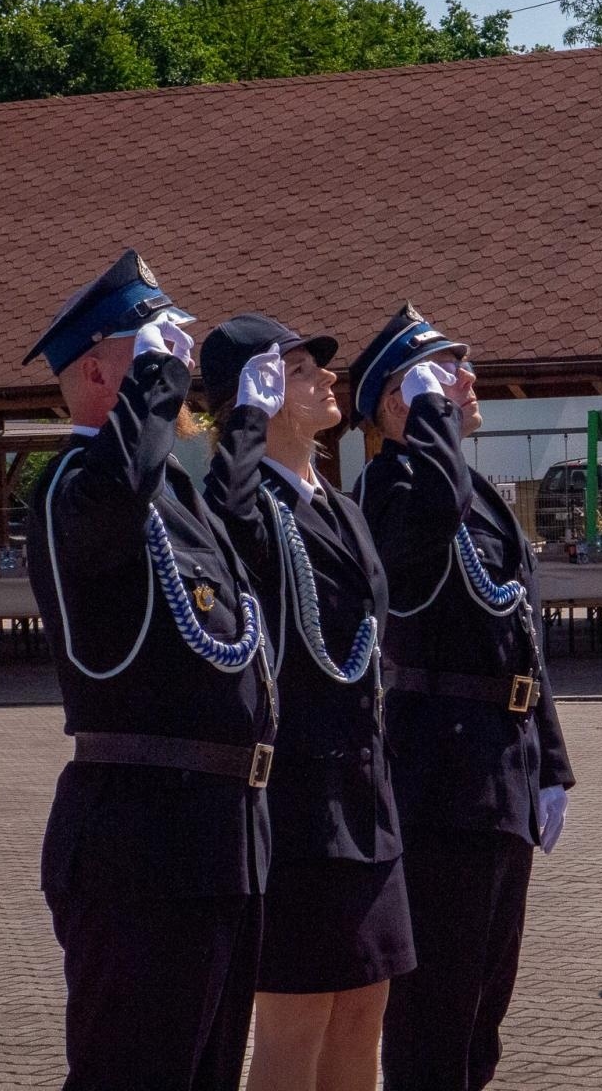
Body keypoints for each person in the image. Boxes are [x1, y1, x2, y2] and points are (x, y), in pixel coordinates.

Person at [22, 249, 274, 1091]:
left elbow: (246, 548)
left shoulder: (176, 493)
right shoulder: (73, 486)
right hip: (142, 839)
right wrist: (159, 380)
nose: (180, 355)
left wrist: (240, 422)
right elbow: (115, 488)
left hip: (220, 835)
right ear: (97, 370)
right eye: (154, 342)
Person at [349, 304, 576, 1091]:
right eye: (445, 373)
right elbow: (422, 530)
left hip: (501, 766)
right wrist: (427, 417)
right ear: (396, 401)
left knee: (485, 1002)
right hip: (440, 775)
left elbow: (523, 636)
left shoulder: (472, 490)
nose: (469, 383)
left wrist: (551, 763)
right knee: (434, 1013)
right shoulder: (390, 488)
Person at [200, 314, 415, 1091]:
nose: (327, 378)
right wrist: (245, 427)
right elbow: (222, 516)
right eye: (297, 371)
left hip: (364, 797)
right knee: (295, 1033)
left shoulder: (339, 504)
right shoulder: (252, 507)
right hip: (297, 804)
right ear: (251, 396)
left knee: (364, 1017)